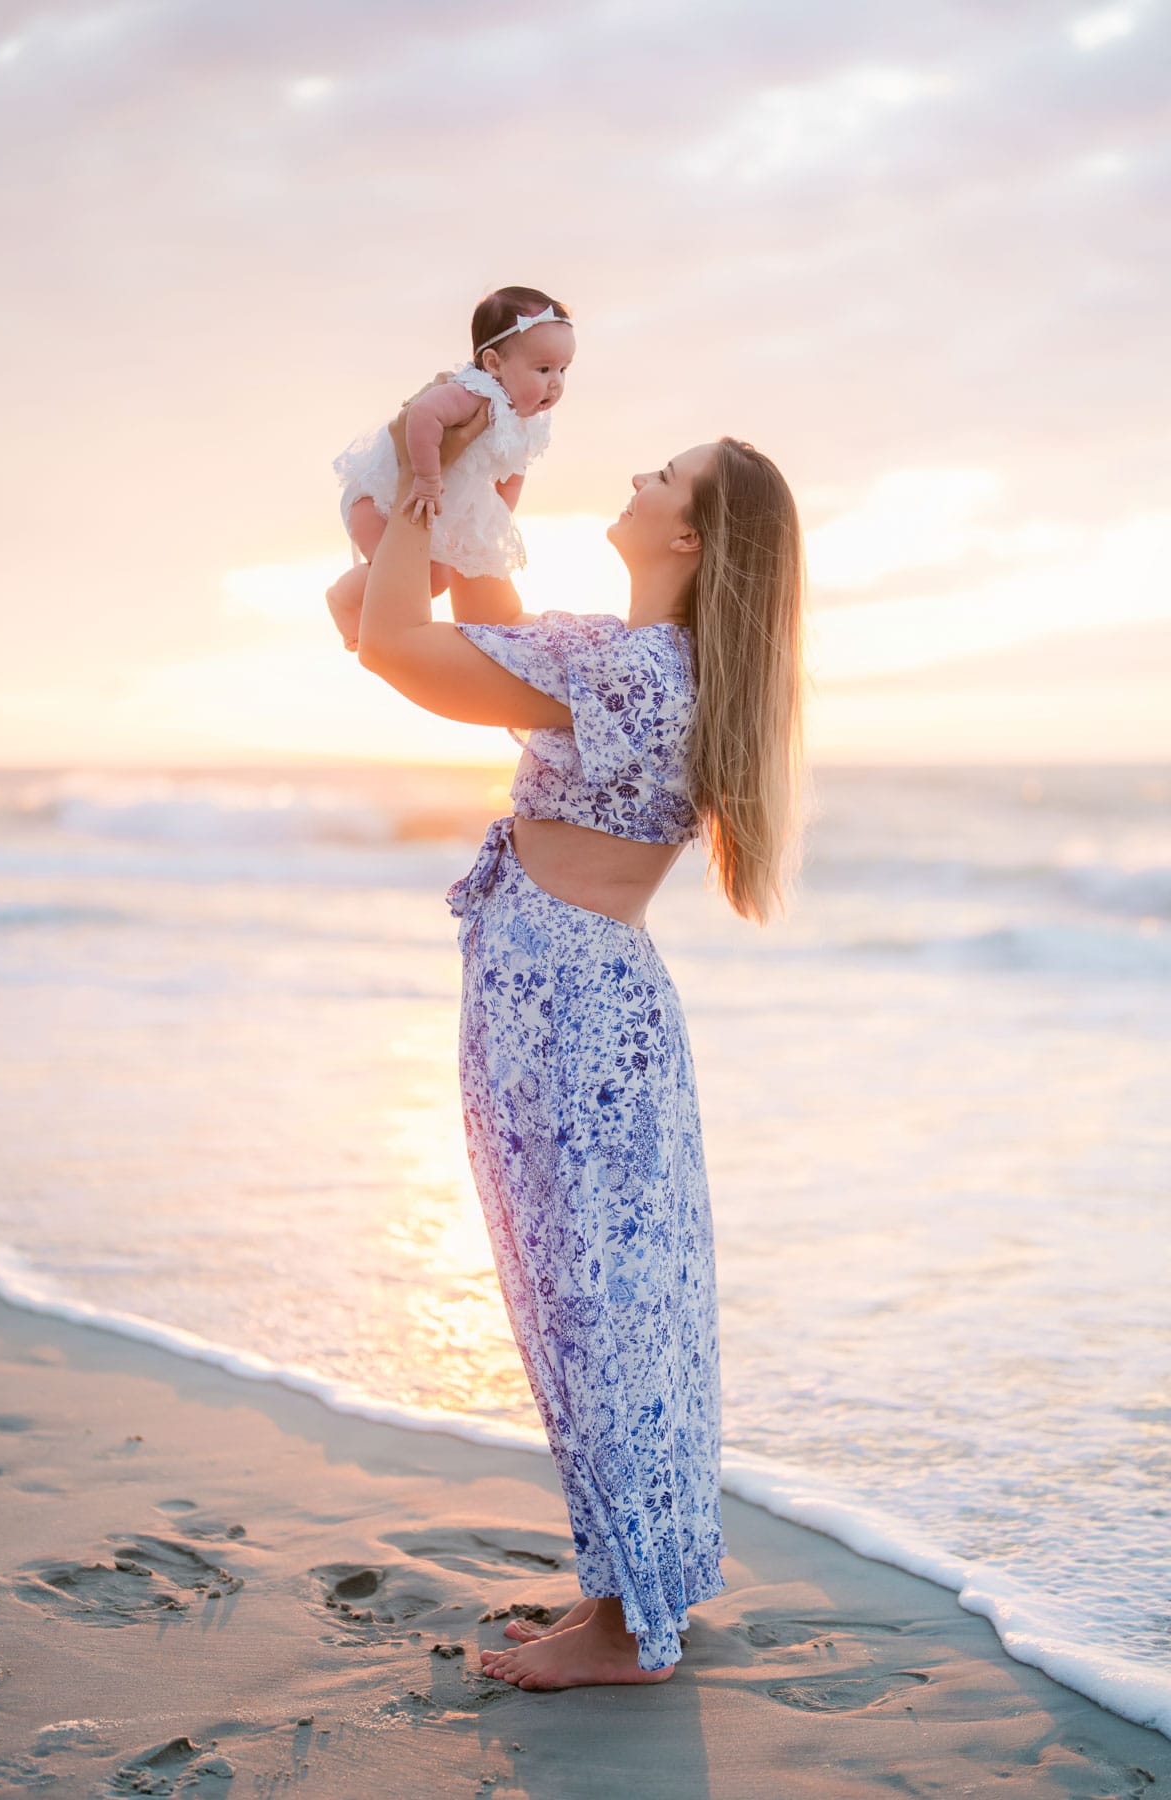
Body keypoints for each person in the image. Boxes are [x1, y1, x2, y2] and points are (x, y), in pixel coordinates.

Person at [331, 400, 807, 1690]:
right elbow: (426, 619)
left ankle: (621, 1625)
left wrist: (425, 482)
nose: (638, 474)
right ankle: (634, 1588)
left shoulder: (630, 669)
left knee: (591, 1308)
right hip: (585, 1001)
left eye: (667, 474)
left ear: (695, 535)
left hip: (567, 1011)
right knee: (607, 1308)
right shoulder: (641, 663)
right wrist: (452, 486)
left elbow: (388, 646)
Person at [325, 285, 574, 648]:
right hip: (385, 498)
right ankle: (343, 600)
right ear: (493, 364)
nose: (556, 383)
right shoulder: (474, 393)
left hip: (430, 506)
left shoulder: (527, 419)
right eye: (543, 368)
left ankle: (369, 618)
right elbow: (421, 414)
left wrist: (498, 518)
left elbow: (513, 472)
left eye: (564, 370)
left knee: (434, 581)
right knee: (418, 580)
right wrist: (426, 478)